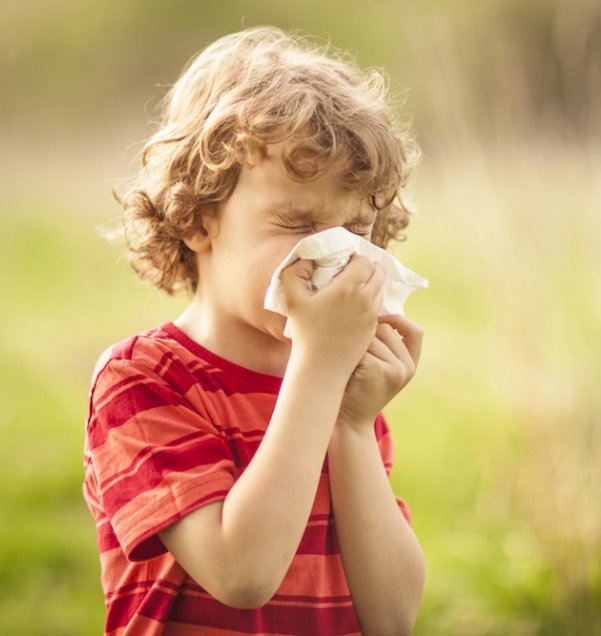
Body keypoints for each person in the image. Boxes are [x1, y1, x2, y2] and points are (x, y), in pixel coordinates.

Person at [83, 26, 426, 635]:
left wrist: (350, 426)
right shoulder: (142, 381)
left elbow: (394, 616)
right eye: (298, 223)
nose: (335, 256)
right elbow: (241, 573)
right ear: (196, 220)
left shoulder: (345, 389)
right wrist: (321, 368)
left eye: (357, 230)